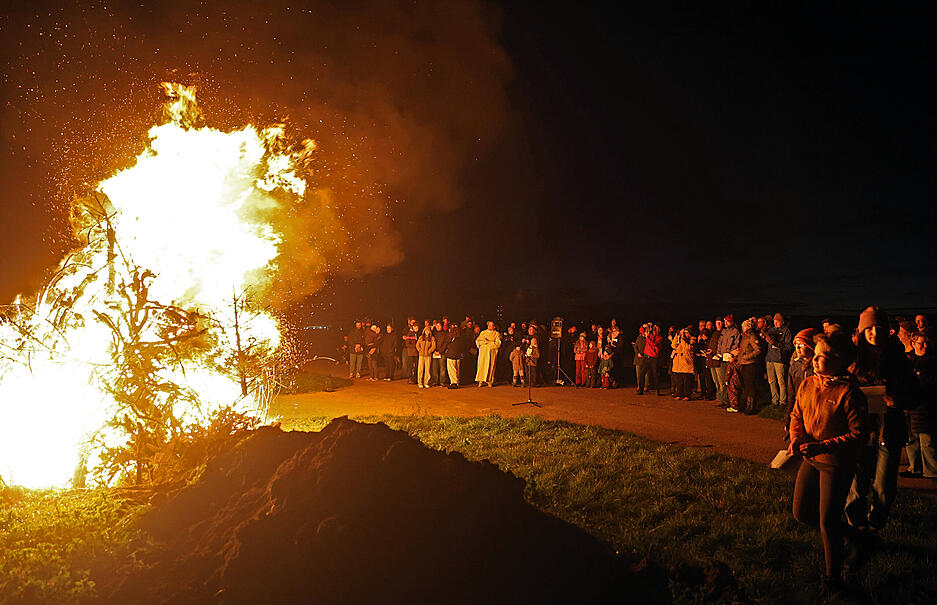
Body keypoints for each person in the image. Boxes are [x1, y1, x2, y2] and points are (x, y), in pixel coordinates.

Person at [789, 331, 868, 587]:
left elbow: (858, 434)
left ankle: (833, 577)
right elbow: (796, 414)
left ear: (838, 361)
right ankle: (857, 538)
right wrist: (796, 438)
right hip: (810, 458)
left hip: (836, 464)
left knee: (827, 521)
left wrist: (823, 445)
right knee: (801, 513)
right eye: (816, 354)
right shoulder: (808, 383)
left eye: (823, 356)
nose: (815, 359)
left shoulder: (849, 392)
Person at [845, 306, 919, 531]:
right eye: (869, 329)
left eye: (879, 328)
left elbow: (917, 392)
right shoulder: (852, 358)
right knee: (856, 484)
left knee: (884, 485)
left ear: (887, 329)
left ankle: (875, 525)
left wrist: (898, 399)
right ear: (861, 331)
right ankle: (856, 529)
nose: (874, 333)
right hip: (860, 430)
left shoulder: (898, 358)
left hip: (889, 430)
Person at [903, 332, 937, 479]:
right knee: (911, 439)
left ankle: (931, 471)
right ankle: (914, 468)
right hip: (910, 406)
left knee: (926, 440)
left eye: (925, 343)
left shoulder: (932, 361)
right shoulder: (908, 360)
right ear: (913, 344)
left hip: (925, 406)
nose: (924, 346)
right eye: (920, 343)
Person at [785, 328, 817, 434]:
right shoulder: (794, 367)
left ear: (810, 345)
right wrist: (788, 419)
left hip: (815, 412)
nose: (797, 348)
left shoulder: (818, 367)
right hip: (800, 412)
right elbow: (791, 395)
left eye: (801, 344)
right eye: (795, 345)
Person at [731, 319, 763, 414]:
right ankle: (747, 405)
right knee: (746, 386)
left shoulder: (751, 336)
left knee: (750, 386)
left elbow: (758, 350)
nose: (742, 328)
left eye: (743, 326)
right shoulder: (744, 337)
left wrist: (747, 357)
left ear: (748, 327)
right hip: (744, 364)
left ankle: (752, 406)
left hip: (750, 364)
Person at [765, 313, 793, 408]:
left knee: (781, 381)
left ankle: (783, 402)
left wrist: (777, 343)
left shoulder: (786, 331)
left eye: (778, 322)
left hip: (779, 359)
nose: (776, 323)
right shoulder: (771, 330)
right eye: (774, 321)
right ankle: (774, 401)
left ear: (782, 322)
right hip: (769, 358)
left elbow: (788, 346)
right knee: (771, 381)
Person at [715, 314, 741, 406]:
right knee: (723, 380)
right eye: (724, 321)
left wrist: (731, 354)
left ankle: (730, 401)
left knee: (729, 381)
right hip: (722, 359)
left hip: (729, 359)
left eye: (727, 321)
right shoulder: (724, 331)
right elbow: (719, 343)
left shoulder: (735, 332)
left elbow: (736, 344)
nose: (725, 323)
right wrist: (719, 353)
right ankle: (723, 399)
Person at [671, 327, 696, 400]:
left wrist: (682, 339)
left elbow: (687, 348)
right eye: (683, 333)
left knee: (686, 381)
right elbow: (673, 346)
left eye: (686, 333)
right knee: (679, 380)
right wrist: (677, 337)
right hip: (678, 363)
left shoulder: (692, 340)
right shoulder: (679, 340)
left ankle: (687, 395)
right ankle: (679, 394)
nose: (684, 334)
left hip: (686, 363)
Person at [475, 321, 501, 387]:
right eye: (489, 325)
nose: (491, 326)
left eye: (492, 325)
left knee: (491, 366)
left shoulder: (496, 333)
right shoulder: (483, 333)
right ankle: (480, 381)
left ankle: (489, 381)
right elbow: (478, 341)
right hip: (483, 353)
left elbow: (498, 343)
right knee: (481, 366)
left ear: (494, 326)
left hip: (491, 353)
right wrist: (483, 342)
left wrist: (489, 343)